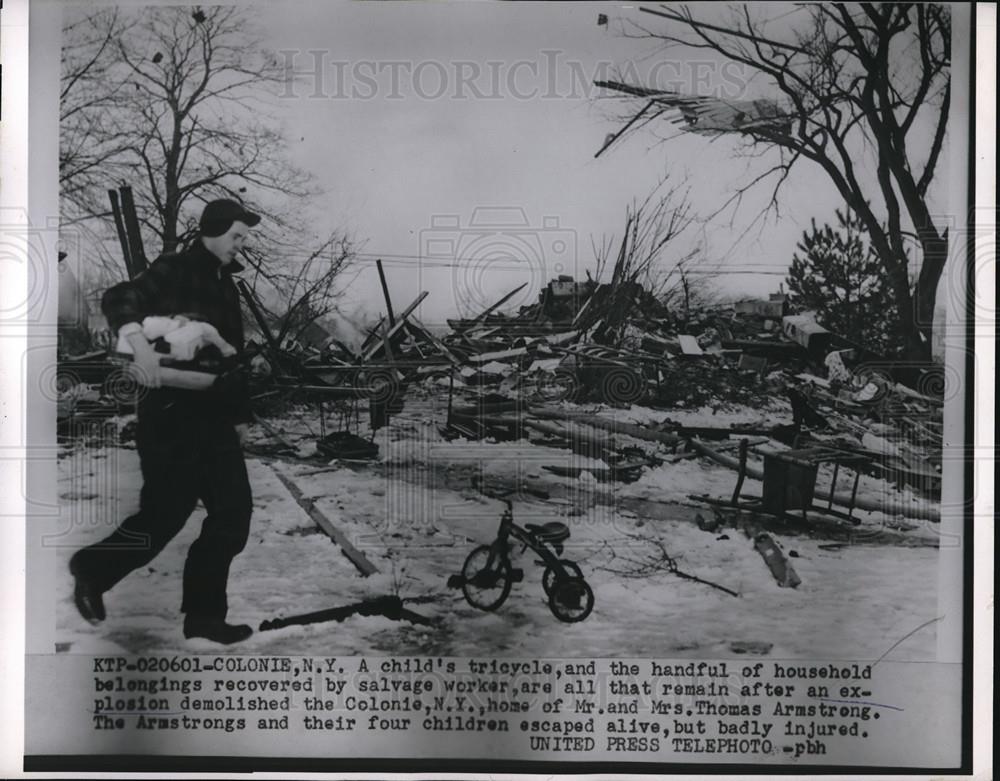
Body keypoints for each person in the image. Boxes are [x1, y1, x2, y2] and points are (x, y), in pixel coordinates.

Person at [70, 199, 260, 645]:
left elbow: (230, 359)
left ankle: (205, 618)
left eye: (243, 238)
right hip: (171, 418)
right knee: (164, 516)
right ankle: (92, 570)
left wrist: (239, 415)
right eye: (236, 236)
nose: (241, 245)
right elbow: (120, 297)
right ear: (212, 232)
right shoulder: (174, 268)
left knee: (233, 514)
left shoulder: (227, 287)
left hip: (213, 415)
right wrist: (137, 344)